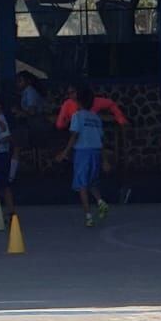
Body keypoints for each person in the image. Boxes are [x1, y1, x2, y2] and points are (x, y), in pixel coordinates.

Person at [55, 88, 109, 227]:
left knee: (82, 185)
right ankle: (100, 202)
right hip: (96, 152)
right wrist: (105, 160)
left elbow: (74, 135)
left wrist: (65, 153)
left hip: (83, 153)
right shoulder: (96, 118)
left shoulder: (77, 116)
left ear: (78, 101)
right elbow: (101, 140)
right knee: (91, 182)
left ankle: (88, 216)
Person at [54, 85, 129, 131]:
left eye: (73, 92)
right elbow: (60, 124)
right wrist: (69, 121)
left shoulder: (95, 101)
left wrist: (120, 119)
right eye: (69, 93)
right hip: (75, 133)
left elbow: (111, 104)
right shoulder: (67, 104)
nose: (70, 95)